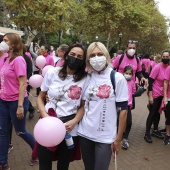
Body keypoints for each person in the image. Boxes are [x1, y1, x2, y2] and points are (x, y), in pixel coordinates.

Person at [37, 43, 90, 170]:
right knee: (44, 163)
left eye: (79, 56)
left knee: (63, 165)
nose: (75, 58)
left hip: (70, 128)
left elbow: (83, 106)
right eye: (72, 54)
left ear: (83, 61)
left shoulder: (86, 79)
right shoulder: (52, 73)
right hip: (47, 125)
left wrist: (74, 121)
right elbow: (40, 97)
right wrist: (45, 116)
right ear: (66, 55)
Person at [78, 42, 128, 170]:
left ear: (106, 55)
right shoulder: (88, 77)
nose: (96, 58)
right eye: (92, 55)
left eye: (99, 54)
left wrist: (118, 139)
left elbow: (123, 111)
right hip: (85, 133)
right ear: (88, 59)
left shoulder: (117, 78)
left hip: (105, 137)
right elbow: (82, 104)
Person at [0, 33, 35, 170]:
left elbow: (22, 84)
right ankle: (3, 163)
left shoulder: (19, 60)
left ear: (13, 44)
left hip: (16, 102)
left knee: (20, 131)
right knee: (2, 131)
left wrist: (20, 106)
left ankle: (37, 151)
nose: (2, 42)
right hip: (3, 101)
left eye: (5, 40)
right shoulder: (5, 59)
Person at [144, 50, 170, 143]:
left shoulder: (169, 68)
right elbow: (150, 81)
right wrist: (150, 96)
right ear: (161, 57)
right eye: (164, 56)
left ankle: (155, 130)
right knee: (153, 112)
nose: (165, 58)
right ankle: (147, 133)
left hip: (164, 94)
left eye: (167, 57)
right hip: (155, 93)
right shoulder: (157, 67)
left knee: (161, 113)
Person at [121, 65, 148, 149]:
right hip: (119, 105)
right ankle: (116, 138)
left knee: (129, 123)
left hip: (127, 106)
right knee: (118, 122)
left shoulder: (132, 83)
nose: (128, 75)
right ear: (123, 73)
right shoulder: (120, 81)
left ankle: (125, 139)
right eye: (126, 73)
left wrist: (143, 89)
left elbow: (134, 93)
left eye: (130, 74)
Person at [163, 64, 170, 145]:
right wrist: (165, 97)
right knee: (169, 117)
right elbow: (165, 82)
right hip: (169, 97)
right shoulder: (169, 68)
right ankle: (168, 134)